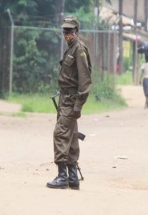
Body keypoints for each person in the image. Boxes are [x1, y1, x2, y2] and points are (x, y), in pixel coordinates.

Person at [46, 16, 92, 190]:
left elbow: (85, 80)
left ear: (76, 32)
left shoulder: (79, 50)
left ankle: (62, 176)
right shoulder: (71, 49)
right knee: (71, 136)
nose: (67, 34)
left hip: (71, 101)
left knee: (60, 134)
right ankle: (73, 177)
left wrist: (78, 105)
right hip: (65, 98)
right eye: (65, 31)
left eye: (70, 31)